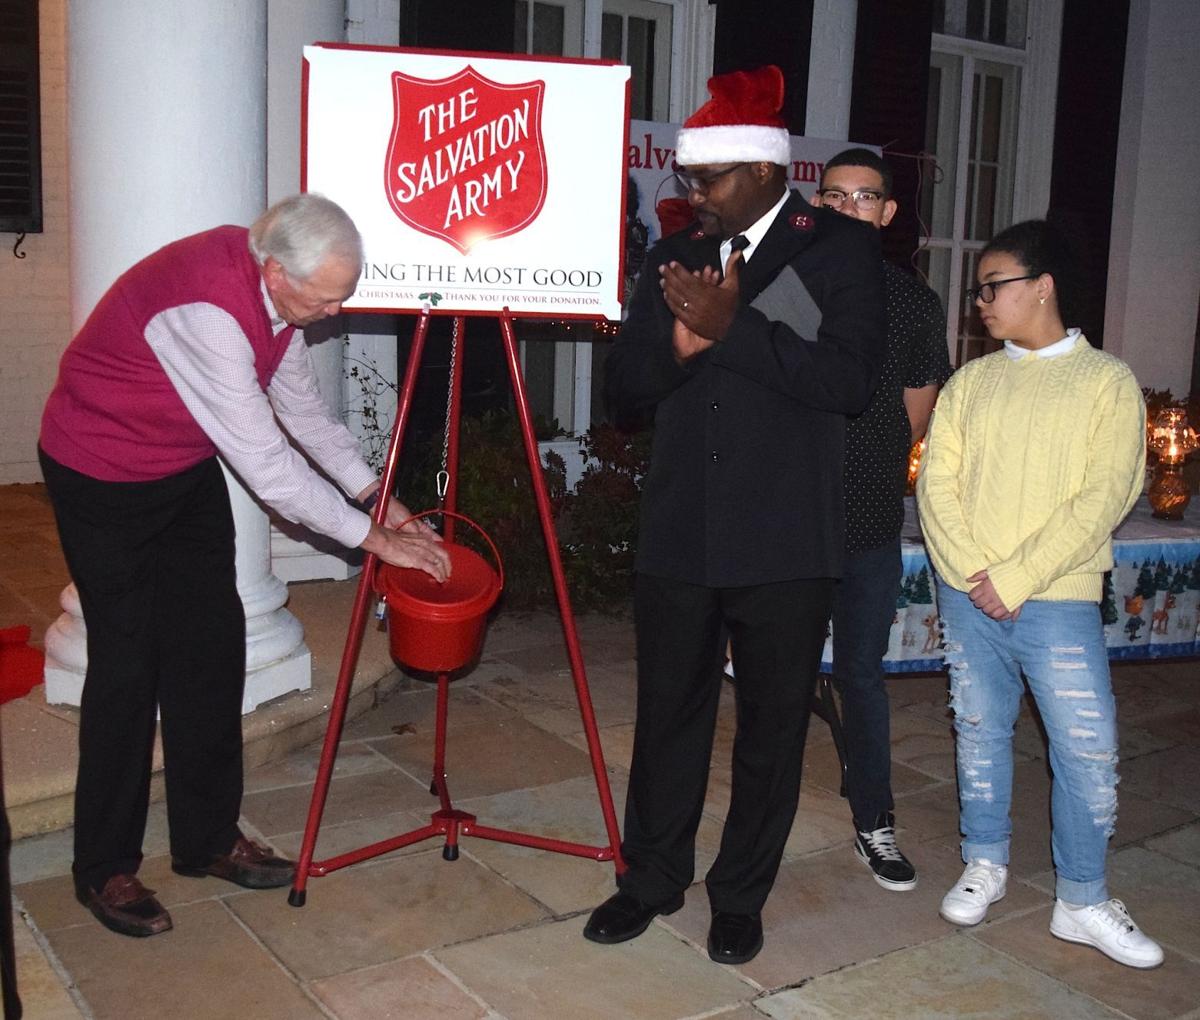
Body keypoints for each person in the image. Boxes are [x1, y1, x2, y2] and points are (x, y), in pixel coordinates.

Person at [38, 193, 451, 939]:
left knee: (212, 645)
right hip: (98, 472)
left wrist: (377, 497)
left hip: (177, 469)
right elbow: (269, 469)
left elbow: (303, 415)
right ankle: (102, 866)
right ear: (274, 270)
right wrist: (375, 542)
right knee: (128, 664)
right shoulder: (208, 311)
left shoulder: (277, 303)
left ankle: (206, 839)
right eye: (326, 299)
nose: (334, 313)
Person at [584, 65, 885, 965]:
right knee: (668, 716)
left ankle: (740, 895)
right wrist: (680, 341)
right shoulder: (669, 256)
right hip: (680, 530)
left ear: (759, 171)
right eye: (685, 179)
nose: (691, 194)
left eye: (705, 179)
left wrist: (734, 329)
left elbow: (848, 382)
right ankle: (649, 879)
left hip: (788, 538)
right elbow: (625, 394)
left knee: (771, 728)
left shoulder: (835, 248)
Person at [916, 220, 1162, 968]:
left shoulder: (1106, 381)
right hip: (970, 595)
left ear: (1041, 286)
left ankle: (1081, 899)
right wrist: (975, 577)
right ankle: (985, 861)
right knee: (980, 731)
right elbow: (937, 486)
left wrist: (1016, 579)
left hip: (1054, 599)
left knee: (1087, 750)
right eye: (980, 289)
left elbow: (1105, 495)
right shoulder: (972, 382)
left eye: (993, 286)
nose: (980, 301)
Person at [809, 148, 951, 891]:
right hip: (787, 521)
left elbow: (913, 420)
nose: (845, 209)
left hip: (865, 520)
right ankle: (754, 832)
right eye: (832, 196)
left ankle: (875, 821)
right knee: (777, 676)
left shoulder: (912, 303)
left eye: (862, 198)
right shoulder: (785, 288)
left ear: (887, 213)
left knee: (861, 675)